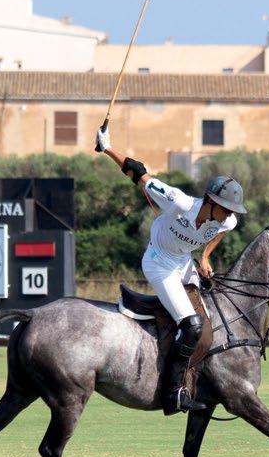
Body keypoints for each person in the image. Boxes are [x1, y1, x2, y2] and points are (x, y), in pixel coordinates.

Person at [95, 125, 246, 414]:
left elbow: (223, 231)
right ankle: (173, 393)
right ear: (211, 201)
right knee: (191, 325)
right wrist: (107, 147)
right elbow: (138, 173)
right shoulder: (179, 202)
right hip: (158, 263)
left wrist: (205, 257)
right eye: (226, 208)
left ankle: (199, 378)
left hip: (183, 262)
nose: (229, 214)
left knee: (209, 321)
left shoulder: (227, 221)